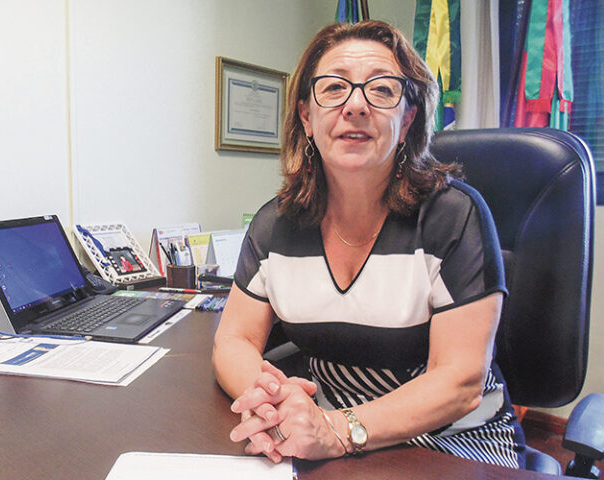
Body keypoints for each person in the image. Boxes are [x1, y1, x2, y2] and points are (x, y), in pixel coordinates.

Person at [212, 20, 525, 469]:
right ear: (306, 116)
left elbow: (459, 381)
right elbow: (234, 340)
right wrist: (269, 402)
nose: (356, 105)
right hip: (325, 423)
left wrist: (340, 430)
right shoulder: (274, 225)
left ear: (407, 119)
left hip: (455, 438)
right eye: (334, 88)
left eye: (381, 90)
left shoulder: (453, 217)